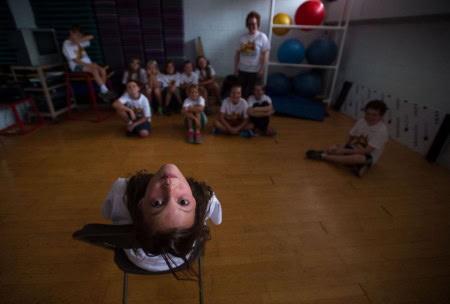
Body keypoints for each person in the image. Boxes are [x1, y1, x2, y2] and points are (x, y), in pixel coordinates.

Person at [101, 163, 222, 279]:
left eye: (157, 203)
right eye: (183, 202)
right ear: (197, 205)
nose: (170, 188)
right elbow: (217, 220)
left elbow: (106, 214)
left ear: (141, 204)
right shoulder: (207, 200)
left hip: (137, 262)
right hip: (181, 260)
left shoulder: (121, 191)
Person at [306, 100, 389, 176]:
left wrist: (345, 150)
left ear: (381, 117)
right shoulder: (361, 121)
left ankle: (323, 156)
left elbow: (366, 150)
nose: (370, 117)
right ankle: (354, 165)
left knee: (357, 158)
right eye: (368, 113)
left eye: (374, 115)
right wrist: (344, 146)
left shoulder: (382, 131)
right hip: (354, 148)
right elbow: (351, 135)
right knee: (330, 149)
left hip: (368, 155)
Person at [62, 25, 115, 102]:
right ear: (71, 33)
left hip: (88, 64)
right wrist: (90, 65)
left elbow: (91, 36)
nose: (78, 37)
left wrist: (79, 40)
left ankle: (103, 91)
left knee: (103, 70)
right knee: (94, 70)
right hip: (77, 66)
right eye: (76, 34)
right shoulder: (67, 44)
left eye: (79, 35)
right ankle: (105, 91)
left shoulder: (80, 42)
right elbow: (75, 60)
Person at [234, 11, 270, 98]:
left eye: (253, 23)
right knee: (241, 94)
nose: (251, 26)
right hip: (242, 71)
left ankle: (251, 111)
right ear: (247, 24)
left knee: (253, 95)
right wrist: (235, 69)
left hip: (255, 72)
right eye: (249, 24)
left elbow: (265, 54)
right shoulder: (243, 38)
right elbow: (237, 54)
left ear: (258, 23)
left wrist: (261, 69)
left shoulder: (262, 36)